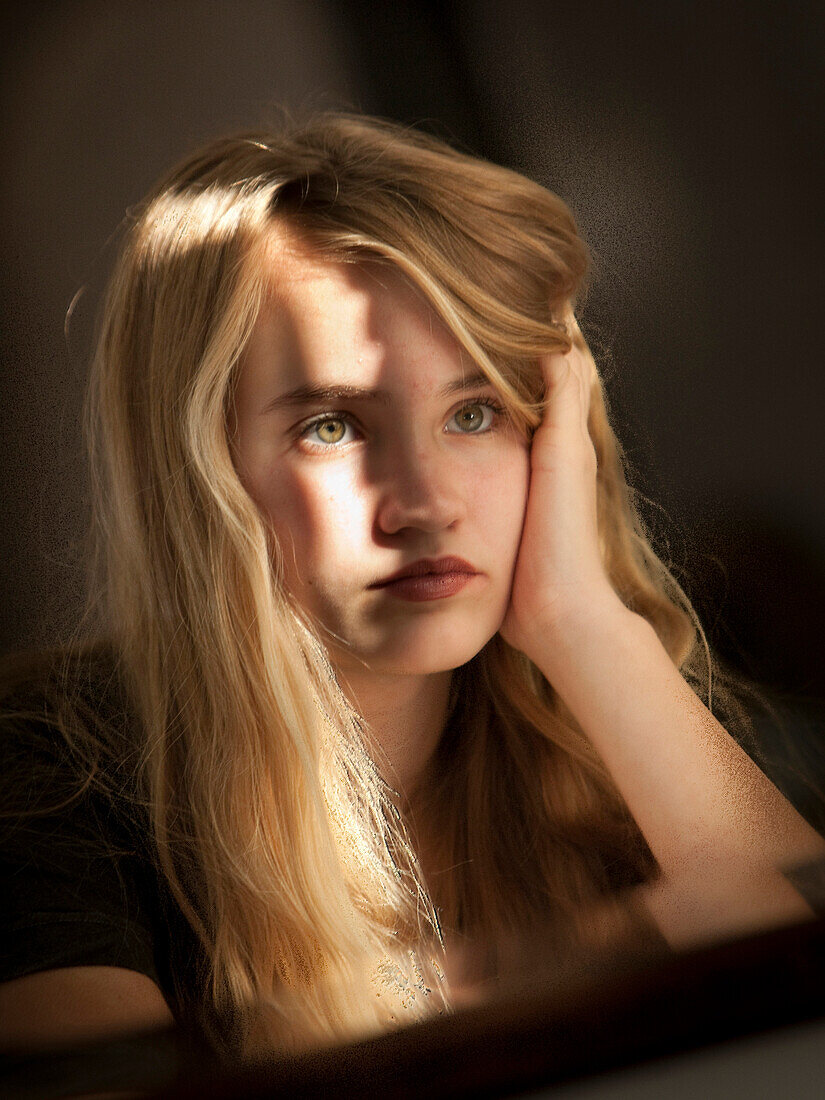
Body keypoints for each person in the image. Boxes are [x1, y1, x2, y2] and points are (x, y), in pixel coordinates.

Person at [1, 112, 823, 1062]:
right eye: (334, 426)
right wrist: (592, 954)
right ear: (199, 467)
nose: (425, 503)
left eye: (474, 411)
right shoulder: (49, 766)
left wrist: (586, 622)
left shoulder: (605, 752)